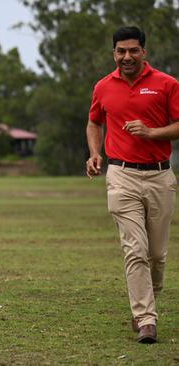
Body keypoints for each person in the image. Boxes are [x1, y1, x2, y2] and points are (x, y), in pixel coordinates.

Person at [86, 26, 179, 344]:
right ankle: (145, 319)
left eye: (133, 50)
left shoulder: (167, 84)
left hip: (160, 176)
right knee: (135, 251)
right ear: (113, 53)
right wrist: (95, 153)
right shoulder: (103, 86)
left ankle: (146, 301)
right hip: (121, 176)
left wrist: (151, 133)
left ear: (144, 52)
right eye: (121, 51)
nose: (127, 56)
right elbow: (94, 121)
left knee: (156, 254)